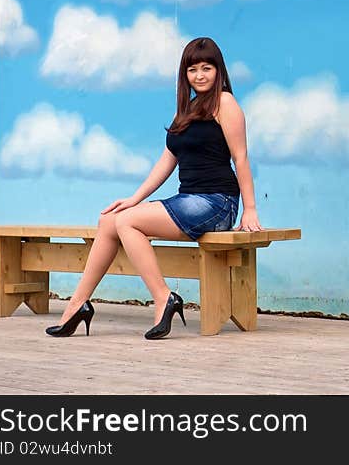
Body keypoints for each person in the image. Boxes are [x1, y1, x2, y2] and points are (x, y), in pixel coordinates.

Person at [45, 37, 263, 340]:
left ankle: (163, 299)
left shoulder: (225, 103)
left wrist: (250, 209)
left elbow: (241, 158)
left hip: (216, 203)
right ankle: (77, 306)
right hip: (189, 201)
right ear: (184, 74)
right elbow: (166, 161)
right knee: (110, 220)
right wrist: (133, 199)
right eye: (192, 70)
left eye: (206, 68)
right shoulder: (188, 109)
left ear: (219, 71)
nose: (199, 75)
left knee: (128, 222)